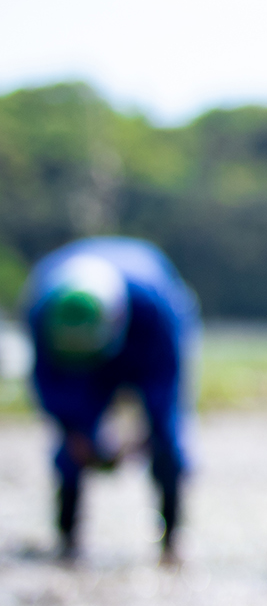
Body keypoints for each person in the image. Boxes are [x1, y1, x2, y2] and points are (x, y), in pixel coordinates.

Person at [23, 237, 198, 565]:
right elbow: (47, 386)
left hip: (144, 334)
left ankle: (171, 542)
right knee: (70, 444)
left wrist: (143, 436)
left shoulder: (156, 308)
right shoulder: (42, 308)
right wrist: (75, 433)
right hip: (71, 356)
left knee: (167, 438)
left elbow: (167, 390)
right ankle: (67, 540)